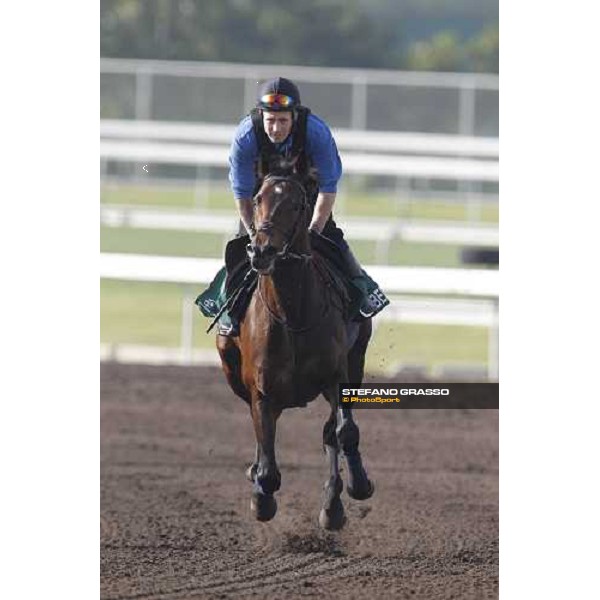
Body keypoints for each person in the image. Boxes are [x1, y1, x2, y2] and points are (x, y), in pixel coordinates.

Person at [204, 77, 386, 335]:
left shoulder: (316, 132)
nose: (276, 128)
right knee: (239, 252)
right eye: (270, 120)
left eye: (283, 121)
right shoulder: (245, 136)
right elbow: (242, 195)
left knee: (335, 245)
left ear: (295, 116)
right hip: (262, 208)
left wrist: (314, 231)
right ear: (261, 116)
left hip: (307, 205)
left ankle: (362, 295)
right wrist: (255, 234)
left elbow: (328, 188)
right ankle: (228, 310)